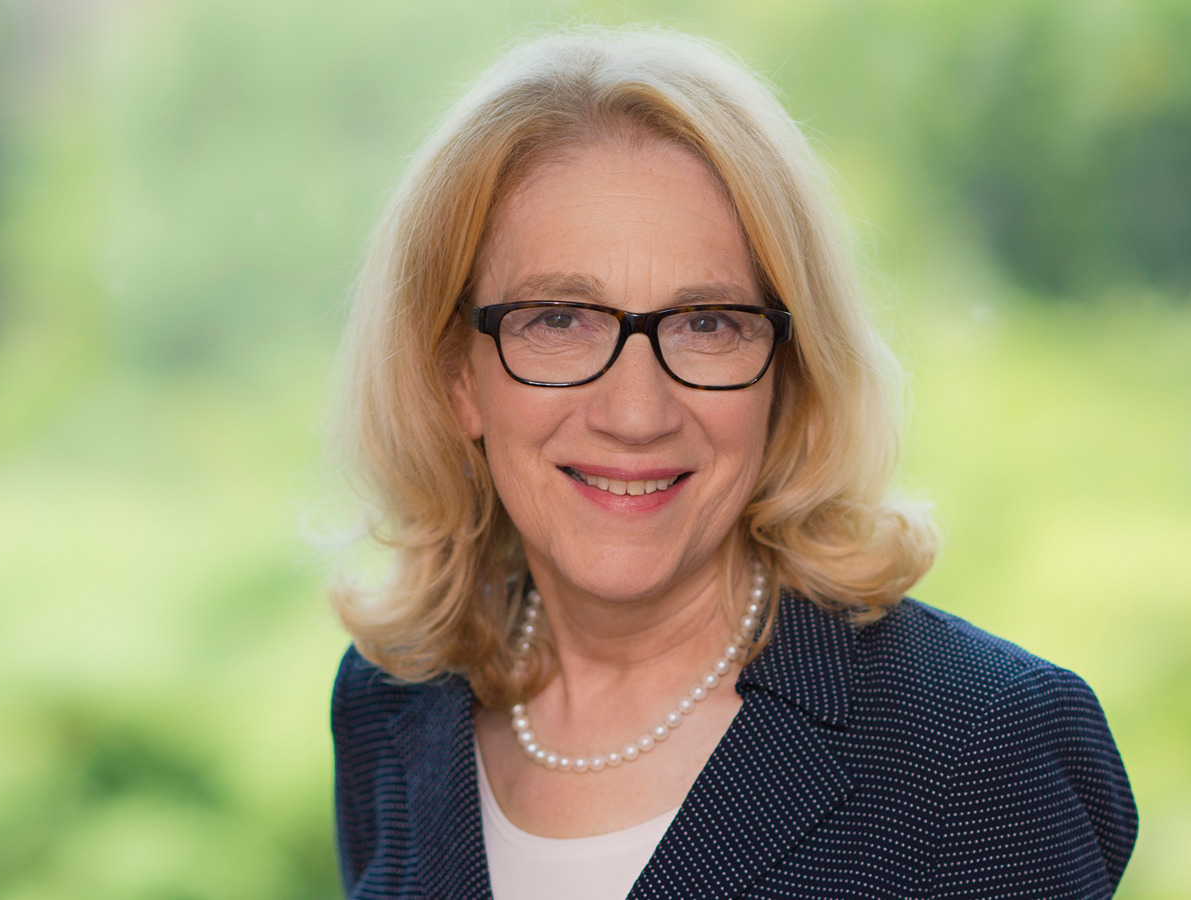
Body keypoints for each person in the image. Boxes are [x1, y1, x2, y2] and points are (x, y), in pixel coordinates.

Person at [328, 26, 1137, 900]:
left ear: (788, 369)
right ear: (456, 375)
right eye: (560, 319)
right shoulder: (392, 704)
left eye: (707, 323)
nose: (636, 414)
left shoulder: (979, 748)